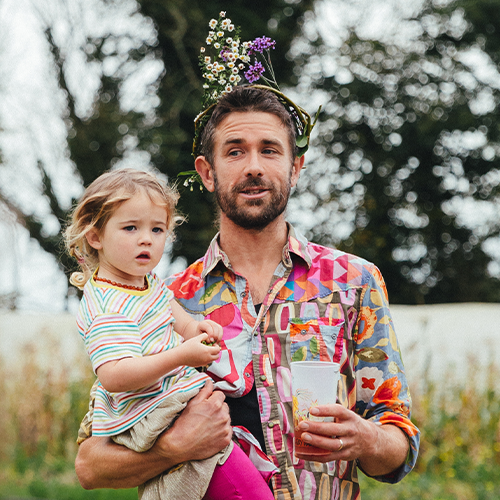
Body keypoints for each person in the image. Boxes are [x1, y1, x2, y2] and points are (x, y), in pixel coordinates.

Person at [74, 14, 420, 500]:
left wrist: (364, 438)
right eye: (234, 151)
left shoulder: (353, 281)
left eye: (270, 150)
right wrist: (173, 449)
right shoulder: (168, 299)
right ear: (207, 172)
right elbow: (90, 464)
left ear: (295, 167)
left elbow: (400, 448)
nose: (254, 166)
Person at [65, 168, 275, 500]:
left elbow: (182, 321)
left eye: (157, 228)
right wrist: (183, 355)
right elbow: (115, 376)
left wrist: (199, 329)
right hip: (152, 412)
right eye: (131, 227)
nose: (146, 238)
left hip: (177, 402)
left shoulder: (148, 285)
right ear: (95, 236)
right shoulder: (107, 305)